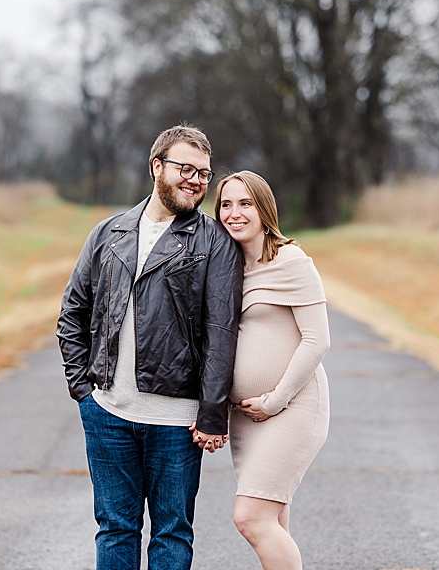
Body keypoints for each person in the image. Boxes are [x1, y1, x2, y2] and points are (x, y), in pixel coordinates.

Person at [56, 124, 243, 569]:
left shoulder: (215, 240)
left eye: (204, 173)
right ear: (157, 166)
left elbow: (222, 333)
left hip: (177, 422)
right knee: (115, 529)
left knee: (171, 533)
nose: (195, 181)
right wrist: (85, 392)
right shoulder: (108, 232)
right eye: (186, 169)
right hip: (108, 413)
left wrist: (211, 413)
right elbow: (72, 313)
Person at [210, 170, 330, 570]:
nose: (235, 213)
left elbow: (317, 340)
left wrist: (275, 401)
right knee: (273, 520)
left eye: (245, 203)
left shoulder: (291, 261)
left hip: (291, 407)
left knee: (250, 517)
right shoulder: (224, 268)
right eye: (226, 204)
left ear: (264, 209)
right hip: (246, 418)